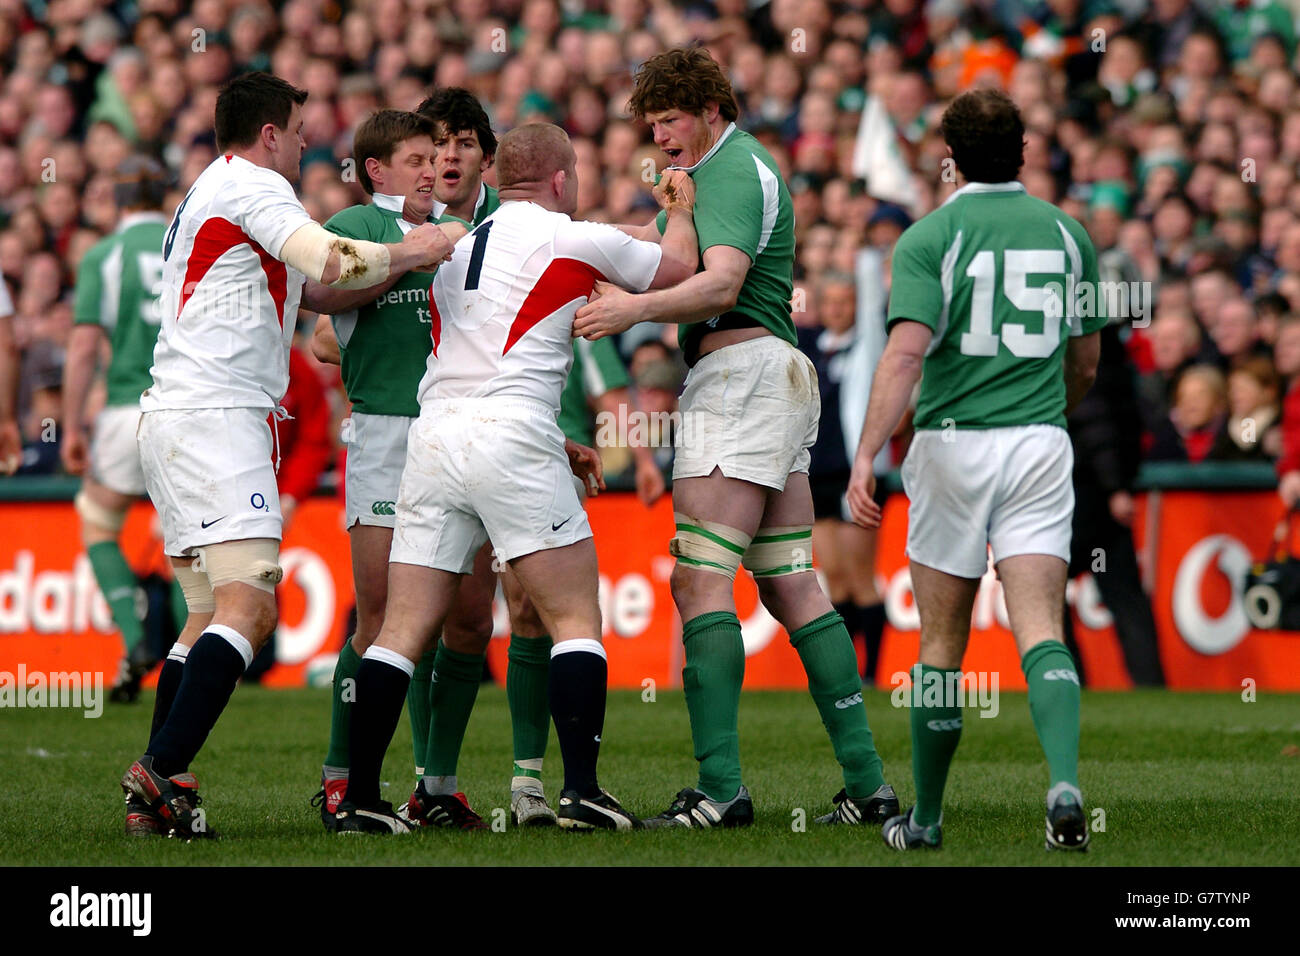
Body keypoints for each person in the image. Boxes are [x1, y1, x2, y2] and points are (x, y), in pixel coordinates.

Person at [119, 72, 460, 838]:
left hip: (173, 416)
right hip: (218, 419)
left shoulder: (209, 190)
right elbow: (335, 261)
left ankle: (159, 790)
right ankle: (158, 767)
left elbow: (315, 293)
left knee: (203, 614)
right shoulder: (253, 188)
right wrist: (413, 250)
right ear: (270, 134)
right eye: (300, 131)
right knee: (251, 606)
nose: (308, 144)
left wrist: (384, 270)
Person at [334, 122, 700, 833]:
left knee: (399, 631)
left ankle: (360, 801)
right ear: (562, 179)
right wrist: (679, 209)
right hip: (512, 431)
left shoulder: (456, 243)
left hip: (434, 435)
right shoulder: (571, 235)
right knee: (574, 618)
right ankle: (580, 791)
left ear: (501, 177)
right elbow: (680, 270)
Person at [572, 47, 898, 830]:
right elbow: (657, 254)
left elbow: (717, 283)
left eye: (672, 119)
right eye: (652, 124)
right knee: (792, 583)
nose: (661, 136)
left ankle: (720, 791)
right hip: (768, 376)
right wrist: (565, 236)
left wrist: (628, 313)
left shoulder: (732, 170)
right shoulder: (713, 178)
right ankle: (868, 786)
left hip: (740, 375)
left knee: (698, 582)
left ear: (712, 110)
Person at [846, 88, 1103, 852]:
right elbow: (1084, 361)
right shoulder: (1069, 233)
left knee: (941, 645)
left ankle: (925, 819)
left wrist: (866, 453)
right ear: (1023, 152)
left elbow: (903, 355)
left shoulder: (930, 236)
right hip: (1038, 442)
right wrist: (1045, 408)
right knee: (1040, 629)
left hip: (954, 445)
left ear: (949, 158)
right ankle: (1062, 784)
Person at [306, 106, 501, 832]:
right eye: (417, 158)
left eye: (442, 154)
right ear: (377, 172)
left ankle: (437, 785)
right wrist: (409, 256)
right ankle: (342, 779)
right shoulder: (361, 227)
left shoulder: (475, 234)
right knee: (385, 618)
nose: (433, 168)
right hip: (389, 434)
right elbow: (322, 305)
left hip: (465, 434)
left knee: (470, 619)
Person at [61, 156, 184, 704]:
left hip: (122, 408)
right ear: (162, 195)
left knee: (98, 521)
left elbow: (85, 345)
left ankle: (135, 643)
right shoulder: (187, 239)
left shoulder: (104, 255)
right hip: (184, 406)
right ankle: (197, 660)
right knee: (192, 541)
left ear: (116, 199)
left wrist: (69, 426)